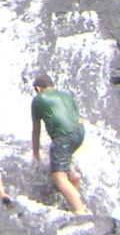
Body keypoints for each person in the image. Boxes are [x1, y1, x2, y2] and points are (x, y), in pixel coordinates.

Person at [29, 73, 88, 213]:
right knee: (64, 156)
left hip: (63, 136)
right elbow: (77, 118)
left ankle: (80, 212)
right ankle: (73, 176)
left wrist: (36, 153)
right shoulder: (66, 95)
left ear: (38, 89)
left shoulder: (38, 99)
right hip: (80, 132)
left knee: (58, 177)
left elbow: (36, 130)